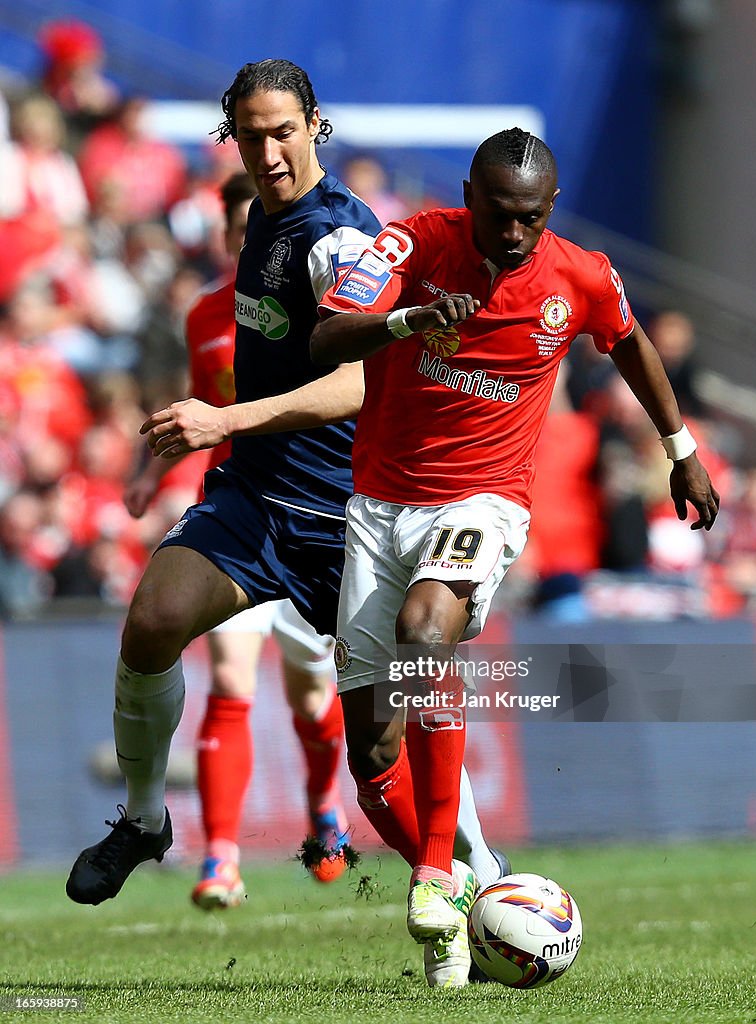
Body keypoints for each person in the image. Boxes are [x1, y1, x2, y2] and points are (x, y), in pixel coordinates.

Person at [66, 62, 507, 982]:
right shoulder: (263, 220)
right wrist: (217, 440)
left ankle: (484, 886)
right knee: (151, 621)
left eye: (284, 133)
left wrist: (220, 418)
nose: (268, 152)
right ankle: (148, 821)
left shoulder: (340, 236)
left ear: (317, 125)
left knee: (379, 753)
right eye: (250, 135)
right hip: (256, 496)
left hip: (349, 518)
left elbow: (356, 381)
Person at [309, 127, 721, 986]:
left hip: (483, 502)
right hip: (379, 509)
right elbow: (324, 340)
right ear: (469, 194)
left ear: (551, 210)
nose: (512, 234)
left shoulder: (578, 274)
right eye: (497, 214)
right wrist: (407, 319)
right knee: (373, 760)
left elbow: (632, 343)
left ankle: (429, 872)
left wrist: (680, 447)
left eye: (529, 219)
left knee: (430, 632)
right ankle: (466, 897)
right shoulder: (414, 241)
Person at [123, 170, 349, 903]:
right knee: (228, 677)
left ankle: (324, 810)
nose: (240, 235)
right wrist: (148, 474)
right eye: (231, 224)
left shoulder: (323, 289)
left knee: (315, 698)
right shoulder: (206, 316)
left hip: (315, 515)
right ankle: (221, 857)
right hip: (238, 516)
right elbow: (192, 404)